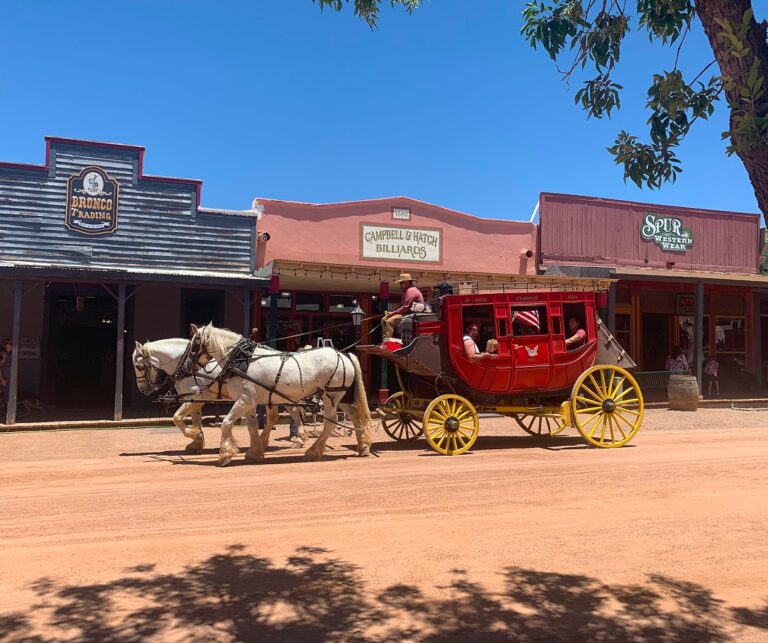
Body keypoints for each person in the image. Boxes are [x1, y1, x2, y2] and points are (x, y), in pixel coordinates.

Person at [381, 273, 424, 344]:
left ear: (407, 282)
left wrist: (392, 314)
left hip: (411, 316)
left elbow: (406, 307)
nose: (400, 285)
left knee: (388, 321)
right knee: (384, 319)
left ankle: (387, 343)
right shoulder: (407, 291)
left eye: (401, 283)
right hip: (406, 314)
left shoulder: (411, 291)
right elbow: (402, 306)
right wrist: (391, 313)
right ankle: (386, 340)